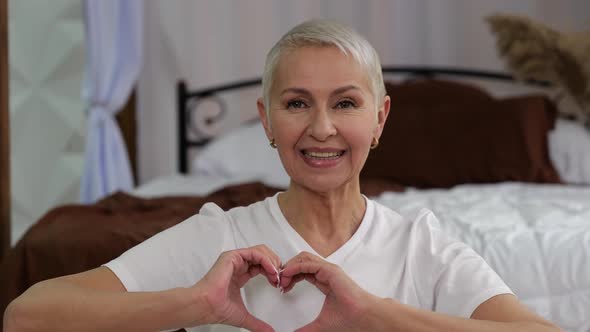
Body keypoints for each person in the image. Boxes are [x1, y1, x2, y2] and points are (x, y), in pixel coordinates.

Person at [4, 19, 559, 332]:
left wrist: (376, 315)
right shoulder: (217, 237)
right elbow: (26, 316)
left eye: (345, 104)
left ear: (379, 118)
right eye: (297, 104)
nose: (321, 128)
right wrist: (194, 304)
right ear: (267, 121)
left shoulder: (422, 248)